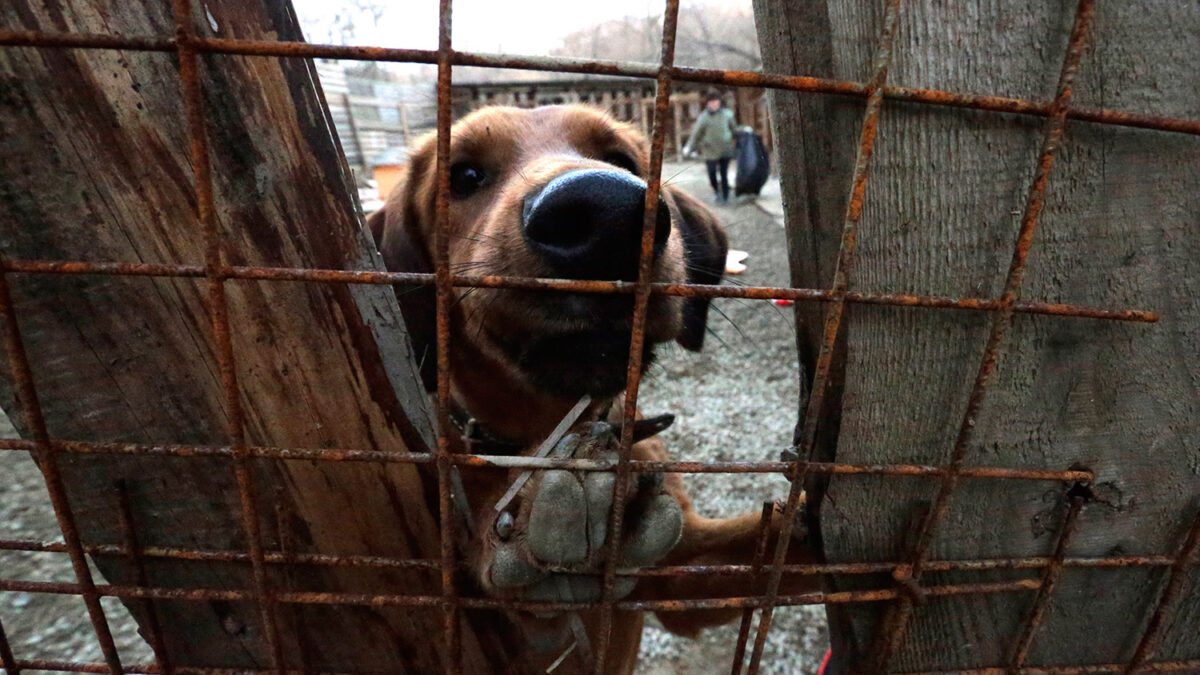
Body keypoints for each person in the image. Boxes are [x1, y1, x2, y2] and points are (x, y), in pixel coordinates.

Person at [683, 91, 738, 204]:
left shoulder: (727, 114)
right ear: (708, 103)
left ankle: (726, 196)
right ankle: (716, 192)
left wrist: (742, 137)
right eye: (711, 102)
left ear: (719, 102)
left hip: (725, 149)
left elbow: (734, 130)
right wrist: (689, 147)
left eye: (716, 101)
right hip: (710, 150)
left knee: (724, 174)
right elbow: (696, 134)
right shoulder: (703, 117)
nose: (714, 104)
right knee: (712, 173)